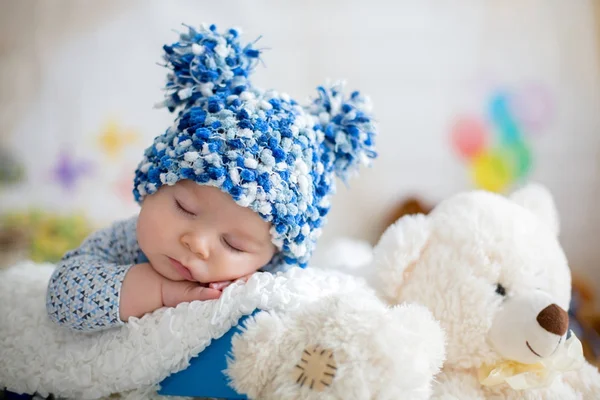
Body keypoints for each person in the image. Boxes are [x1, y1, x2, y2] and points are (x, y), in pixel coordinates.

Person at [46, 23, 377, 332]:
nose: (198, 243)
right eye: (184, 208)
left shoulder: (270, 282)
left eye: (233, 244)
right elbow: (63, 295)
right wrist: (160, 290)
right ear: (153, 186)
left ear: (273, 257)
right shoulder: (128, 241)